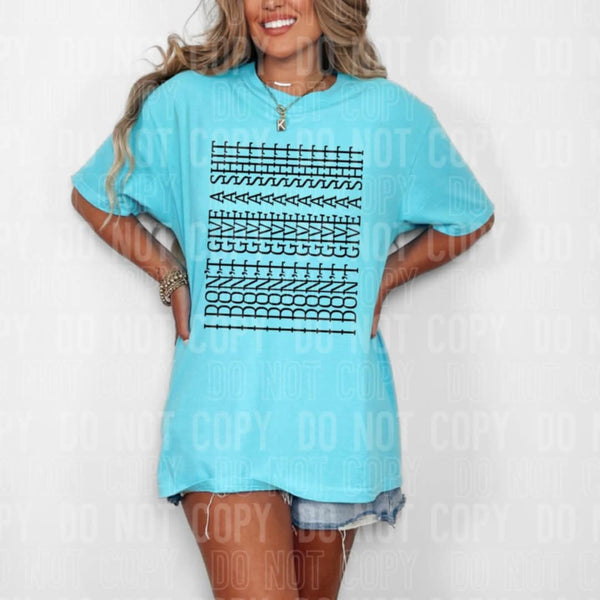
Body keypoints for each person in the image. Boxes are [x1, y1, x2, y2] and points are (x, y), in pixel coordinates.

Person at [70, 0, 495, 598]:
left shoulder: (390, 115)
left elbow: (469, 215)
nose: (272, 3)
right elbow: (96, 195)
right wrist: (169, 275)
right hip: (223, 422)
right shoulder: (189, 104)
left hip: (337, 424)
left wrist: (384, 278)